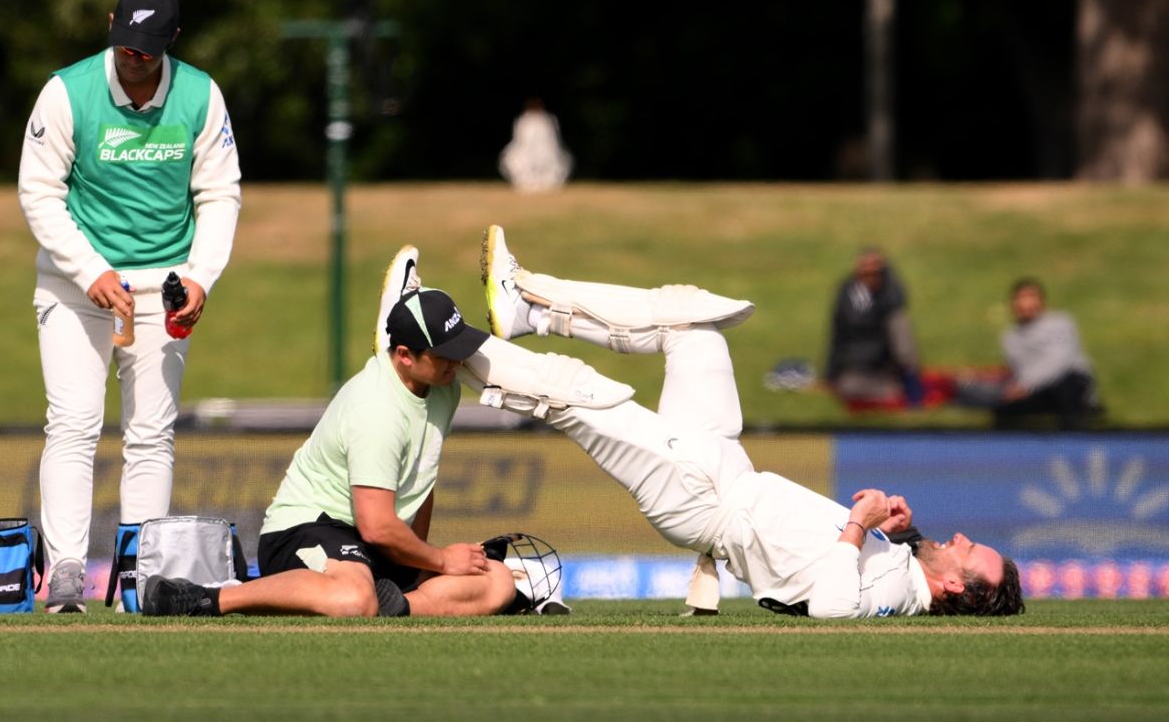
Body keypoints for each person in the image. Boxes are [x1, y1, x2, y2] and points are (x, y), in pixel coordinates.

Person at [464, 225, 1024, 618]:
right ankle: (530, 307)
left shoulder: (894, 595)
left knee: (577, 393)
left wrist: (859, 521)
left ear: (953, 584)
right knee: (692, 324)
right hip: (728, 469)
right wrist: (899, 531)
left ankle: (434, 341)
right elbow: (873, 567)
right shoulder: (902, 570)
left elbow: (832, 608)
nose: (964, 537)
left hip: (703, 502)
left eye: (970, 551)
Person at [18, 0, 242, 613]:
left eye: (147, 50)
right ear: (112, 25)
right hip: (75, 285)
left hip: (162, 288)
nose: (134, 59)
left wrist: (200, 276)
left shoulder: (200, 94)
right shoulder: (67, 92)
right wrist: (90, 270)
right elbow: (39, 191)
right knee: (73, 424)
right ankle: (64, 571)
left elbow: (220, 193)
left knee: (150, 434)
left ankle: (143, 576)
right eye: (126, 44)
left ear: (170, 41)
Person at [142, 249, 516, 618]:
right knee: (353, 598)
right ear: (404, 355)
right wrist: (439, 559)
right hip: (307, 529)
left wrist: (420, 565)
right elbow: (377, 526)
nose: (456, 361)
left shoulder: (443, 387)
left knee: (498, 581)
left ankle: (394, 605)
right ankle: (208, 598)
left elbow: (422, 480)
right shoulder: (377, 409)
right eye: (443, 354)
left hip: (371, 543)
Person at [959, 278, 1101, 430]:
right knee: (1003, 405)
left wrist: (1025, 385)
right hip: (1034, 391)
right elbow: (1016, 371)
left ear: (1042, 301)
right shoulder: (1011, 336)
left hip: (1064, 387)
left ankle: (1076, 438)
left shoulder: (1060, 323)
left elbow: (1059, 361)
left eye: (1030, 297)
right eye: (1020, 298)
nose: (1025, 304)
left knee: (1068, 384)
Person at [825, 248, 936, 410]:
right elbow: (838, 334)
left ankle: (911, 390)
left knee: (899, 327)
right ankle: (892, 392)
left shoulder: (890, 297)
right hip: (856, 366)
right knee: (848, 386)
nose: (870, 278)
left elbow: (902, 347)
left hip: (885, 364)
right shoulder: (847, 294)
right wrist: (831, 371)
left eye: (875, 272)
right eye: (865, 273)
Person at [498, 97, 573, 193]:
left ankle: (546, 184)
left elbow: (552, 140)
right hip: (527, 151)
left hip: (546, 151)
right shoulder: (524, 121)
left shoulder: (548, 120)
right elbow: (521, 140)